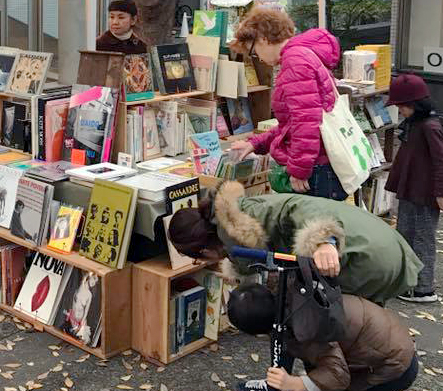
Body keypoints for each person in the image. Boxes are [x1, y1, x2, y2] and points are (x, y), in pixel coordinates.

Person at [167, 180, 422, 305]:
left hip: (364, 255)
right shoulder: (241, 212)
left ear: (204, 249)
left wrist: (324, 240)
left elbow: (300, 207)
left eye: (198, 258)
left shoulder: (243, 226)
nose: (203, 262)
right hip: (375, 239)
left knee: (337, 332)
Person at [229, 8, 346, 200]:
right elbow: (293, 123)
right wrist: (255, 143)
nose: (258, 57)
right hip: (321, 166)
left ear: (263, 39)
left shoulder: (295, 61)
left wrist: (299, 170)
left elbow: (305, 122)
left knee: (314, 229)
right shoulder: (303, 55)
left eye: (254, 51)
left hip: (316, 170)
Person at [228, 283, 418, 391]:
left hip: (393, 368)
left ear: (255, 332)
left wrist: (295, 384)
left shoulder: (305, 331)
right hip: (390, 341)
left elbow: (338, 376)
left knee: (325, 383)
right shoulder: (288, 295)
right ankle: (275, 387)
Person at [385, 73, 443, 303]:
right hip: (410, 190)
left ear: (414, 105)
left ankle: (423, 288)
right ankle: (408, 282)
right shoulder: (414, 123)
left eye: (402, 106)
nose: (400, 111)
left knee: (422, 239)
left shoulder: (430, 126)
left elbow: (440, 160)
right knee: (406, 234)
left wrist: (440, 192)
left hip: (425, 193)